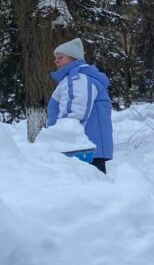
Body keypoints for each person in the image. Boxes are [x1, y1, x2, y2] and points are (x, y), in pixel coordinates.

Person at [48, 37, 114, 173]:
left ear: (73, 58)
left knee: (89, 189)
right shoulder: (78, 78)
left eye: (60, 57)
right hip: (87, 148)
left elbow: (73, 112)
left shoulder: (77, 79)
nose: (56, 61)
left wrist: (63, 139)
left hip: (82, 150)